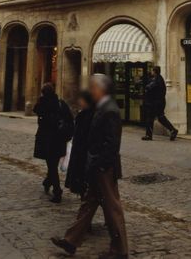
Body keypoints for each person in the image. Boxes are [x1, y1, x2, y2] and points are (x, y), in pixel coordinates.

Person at [51, 74, 129, 259]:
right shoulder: (102, 107)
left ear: (101, 89)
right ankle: (71, 241)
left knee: (112, 208)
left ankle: (120, 250)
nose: (90, 90)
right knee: (88, 204)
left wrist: (100, 165)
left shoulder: (109, 109)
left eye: (93, 87)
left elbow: (111, 144)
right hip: (97, 166)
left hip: (104, 168)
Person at [33, 82, 74, 204]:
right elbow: (70, 119)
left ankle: (57, 191)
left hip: (47, 141)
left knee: (51, 166)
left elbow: (36, 109)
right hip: (59, 140)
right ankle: (47, 181)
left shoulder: (43, 103)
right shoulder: (61, 104)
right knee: (53, 164)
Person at [65, 89, 95, 198]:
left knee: (83, 176)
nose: (78, 101)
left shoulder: (89, 115)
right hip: (80, 150)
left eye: (81, 99)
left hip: (83, 151)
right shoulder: (84, 113)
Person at [142, 66, 178, 141]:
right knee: (160, 118)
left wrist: (147, 88)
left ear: (154, 71)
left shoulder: (157, 80)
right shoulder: (158, 79)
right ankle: (172, 130)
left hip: (156, 103)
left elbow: (149, 87)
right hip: (158, 102)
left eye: (152, 71)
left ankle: (149, 135)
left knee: (151, 118)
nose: (151, 72)